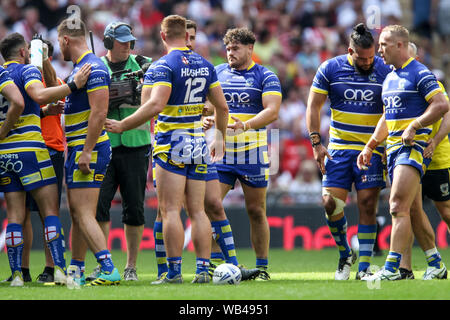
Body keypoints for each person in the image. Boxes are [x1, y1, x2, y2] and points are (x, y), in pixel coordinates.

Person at [105, 15, 229, 284]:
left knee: (171, 209)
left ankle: (173, 272)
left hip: (171, 143)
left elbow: (154, 106)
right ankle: (203, 270)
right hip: (197, 142)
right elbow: (222, 106)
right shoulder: (207, 65)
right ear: (187, 36)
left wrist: (123, 124)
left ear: (162, 36)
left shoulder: (162, 66)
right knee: (198, 211)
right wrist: (218, 138)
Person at [149, 19, 261, 283]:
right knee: (169, 210)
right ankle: (166, 269)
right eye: (186, 37)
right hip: (187, 143)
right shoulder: (184, 67)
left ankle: (229, 265)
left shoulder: (204, 67)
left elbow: (210, 105)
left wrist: (208, 117)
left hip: (192, 144)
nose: (190, 42)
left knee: (209, 205)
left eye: (193, 38)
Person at [358, 25, 449, 281]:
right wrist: (371, 145)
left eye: (384, 45)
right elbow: (388, 117)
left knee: (396, 205)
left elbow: (442, 105)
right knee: (413, 210)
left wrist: (416, 125)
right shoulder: (390, 77)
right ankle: (436, 264)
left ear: (400, 45)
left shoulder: (420, 73)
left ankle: (391, 270)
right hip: (394, 149)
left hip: (413, 149)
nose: (379, 51)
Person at [0, 32, 90, 286]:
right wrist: (73, 85)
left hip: (4, 154)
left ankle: (17, 274)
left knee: (16, 215)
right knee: (49, 211)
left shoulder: (0, 75)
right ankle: (59, 270)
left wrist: (41, 112)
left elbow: (21, 106)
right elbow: (36, 95)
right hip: (31, 149)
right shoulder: (27, 71)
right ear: (22, 52)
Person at [306, 23, 392, 280]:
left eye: (371, 57)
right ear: (350, 51)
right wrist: (316, 143)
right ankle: (345, 253)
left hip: (371, 150)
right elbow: (313, 106)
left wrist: (384, 144)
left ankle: (364, 268)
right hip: (338, 150)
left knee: (367, 206)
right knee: (329, 203)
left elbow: (392, 111)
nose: (368, 62)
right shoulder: (330, 68)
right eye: (362, 58)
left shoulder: (385, 69)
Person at [211, 27, 282, 280]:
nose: (230, 53)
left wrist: (246, 125)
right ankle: (216, 265)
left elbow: (272, 111)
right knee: (211, 205)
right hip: (222, 153)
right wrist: (208, 118)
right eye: (228, 49)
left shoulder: (266, 76)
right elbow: (206, 107)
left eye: (236, 48)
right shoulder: (217, 73)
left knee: (256, 210)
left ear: (250, 48)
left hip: (253, 153)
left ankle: (262, 267)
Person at [85, 22, 152, 282]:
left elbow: (154, 93)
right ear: (109, 42)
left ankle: (131, 266)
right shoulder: (94, 66)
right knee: (99, 206)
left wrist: (136, 91)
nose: (127, 46)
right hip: (104, 144)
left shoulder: (145, 64)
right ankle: (105, 263)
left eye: (129, 41)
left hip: (136, 143)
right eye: (121, 41)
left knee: (134, 208)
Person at [56, 17, 121, 286]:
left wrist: (85, 151)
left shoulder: (92, 67)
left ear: (65, 39)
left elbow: (99, 112)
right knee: (77, 212)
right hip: (82, 146)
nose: (59, 47)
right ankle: (77, 270)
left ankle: (107, 268)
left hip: (88, 148)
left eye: (59, 42)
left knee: (83, 213)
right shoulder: (81, 68)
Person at [397, 42, 450, 280]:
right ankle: (405, 267)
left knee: (446, 211)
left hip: (436, 156)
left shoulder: (430, 83)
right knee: (407, 209)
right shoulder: (399, 83)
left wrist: (436, 141)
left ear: (415, 57)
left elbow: (447, 114)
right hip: (413, 153)